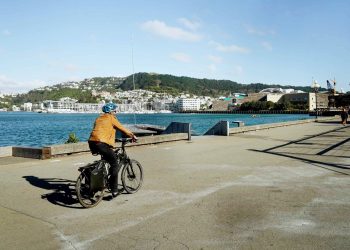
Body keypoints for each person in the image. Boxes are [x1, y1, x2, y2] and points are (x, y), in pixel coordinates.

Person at [88, 102, 137, 197]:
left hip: (92, 142)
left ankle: (98, 181)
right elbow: (121, 128)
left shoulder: (98, 118)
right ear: (111, 111)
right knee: (114, 163)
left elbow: (101, 131)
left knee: (106, 159)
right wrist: (132, 135)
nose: (116, 112)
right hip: (101, 143)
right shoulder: (111, 118)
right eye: (115, 110)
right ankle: (114, 190)